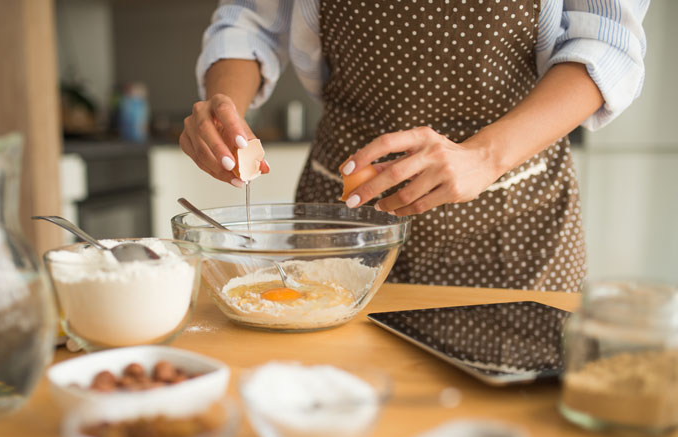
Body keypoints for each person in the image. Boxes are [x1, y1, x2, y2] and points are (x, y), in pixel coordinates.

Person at [180, 0, 649, 292]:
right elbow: (249, 19)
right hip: (343, 217)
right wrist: (225, 108)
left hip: (513, 220)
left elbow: (606, 43)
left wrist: (484, 155)